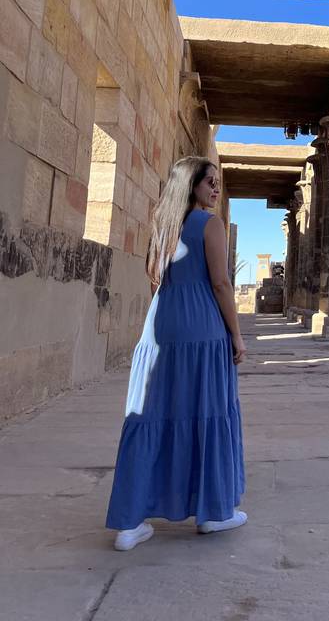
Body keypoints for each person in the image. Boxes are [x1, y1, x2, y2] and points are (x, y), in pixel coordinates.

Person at [106, 157, 246, 551]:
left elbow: (156, 283)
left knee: (149, 416)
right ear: (192, 187)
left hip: (160, 330)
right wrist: (236, 336)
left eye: (218, 183)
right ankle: (214, 513)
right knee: (209, 414)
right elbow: (220, 284)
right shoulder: (208, 224)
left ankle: (129, 525)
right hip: (203, 329)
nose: (215, 190)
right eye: (210, 183)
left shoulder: (163, 226)